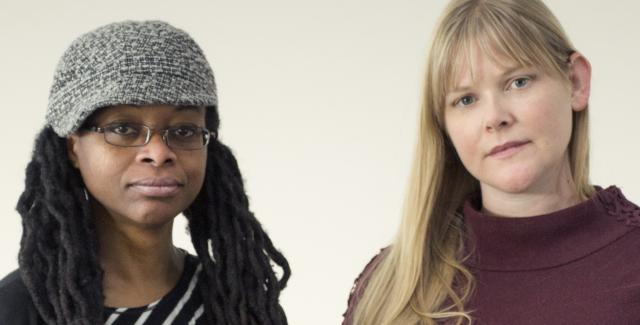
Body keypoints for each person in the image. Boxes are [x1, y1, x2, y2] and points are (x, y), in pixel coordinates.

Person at [343, 0, 640, 324]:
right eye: (466, 99)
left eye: (518, 82)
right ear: (443, 125)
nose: (495, 117)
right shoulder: (392, 288)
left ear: (576, 82)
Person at [0, 20, 290, 325]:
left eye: (184, 130)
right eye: (123, 128)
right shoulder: (18, 311)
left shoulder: (241, 304)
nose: (159, 153)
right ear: (73, 148)